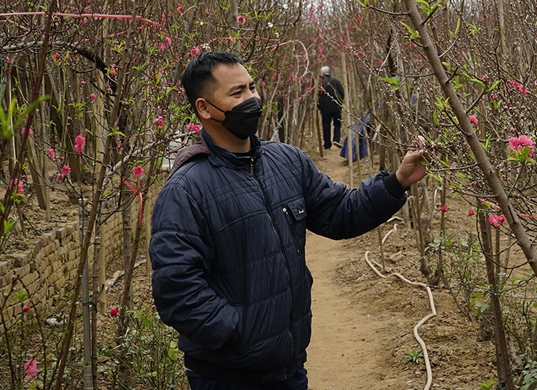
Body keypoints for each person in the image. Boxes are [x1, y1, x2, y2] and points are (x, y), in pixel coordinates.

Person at [149, 52, 427, 390]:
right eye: (237, 93)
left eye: (251, 88)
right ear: (205, 108)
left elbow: (340, 213)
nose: (252, 98)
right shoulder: (186, 190)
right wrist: (241, 331)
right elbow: (177, 291)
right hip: (227, 378)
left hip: (290, 369)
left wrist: (396, 182)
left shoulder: (287, 161)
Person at [317, 65, 344, 150]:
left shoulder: (320, 83)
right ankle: (336, 139)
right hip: (336, 107)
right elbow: (342, 93)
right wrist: (339, 102)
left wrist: (319, 106)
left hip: (324, 109)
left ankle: (327, 145)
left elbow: (317, 97)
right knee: (337, 124)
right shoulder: (335, 81)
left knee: (326, 126)